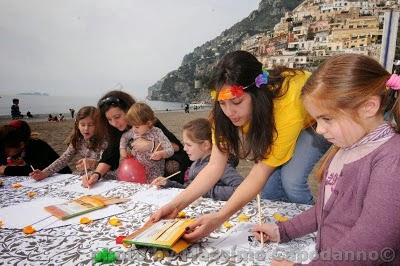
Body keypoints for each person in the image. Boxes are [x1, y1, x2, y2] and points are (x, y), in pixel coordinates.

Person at [150, 50, 330, 242]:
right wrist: (176, 206)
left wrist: (219, 218)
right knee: (269, 189)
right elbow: (213, 167)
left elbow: (259, 172)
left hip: (315, 120)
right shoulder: (224, 114)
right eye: (223, 103)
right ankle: (284, 227)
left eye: (237, 102)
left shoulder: (286, 106)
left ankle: (321, 225)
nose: (230, 112)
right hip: (277, 121)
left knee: (291, 180)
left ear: (257, 93)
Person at [253, 54, 400, 265]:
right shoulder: (345, 148)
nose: (319, 130)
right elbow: (325, 210)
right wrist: (282, 231)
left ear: (369, 107)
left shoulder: (392, 161)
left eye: (327, 119)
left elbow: (371, 243)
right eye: (316, 120)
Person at [81, 90, 191, 188]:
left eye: (117, 117)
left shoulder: (147, 121)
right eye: (109, 119)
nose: (114, 123)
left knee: (172, 166)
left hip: (164, 165)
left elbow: (176, 146)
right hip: (137, 168)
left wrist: (151, 145)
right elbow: (109, 156)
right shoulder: (114, 130)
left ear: (128, 110)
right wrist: (96, 174)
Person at [151, 118, 244, 201]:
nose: (184, 148)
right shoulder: (196, 163)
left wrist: (204, 190)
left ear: (205, 145)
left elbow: (242, 188)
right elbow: (190, 189)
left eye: (189, 145)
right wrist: (169, 183)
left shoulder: (222, 166)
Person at [30, 106, 106, 181]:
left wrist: (93, 164)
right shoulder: (78, 140)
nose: (86, 128)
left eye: (90, 125)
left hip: (103, 177)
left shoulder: (105, 140)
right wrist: (45, 173)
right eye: (82, 125)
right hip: (85, 176)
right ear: (77, 125)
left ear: (98, 125)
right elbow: (65, 158)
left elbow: (111, 164)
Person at [120, 102, 174, 182]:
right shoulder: (134, 131)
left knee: (151, 189)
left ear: (149, 123)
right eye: (132, 126)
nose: (134, 129)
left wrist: (161, 154)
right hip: (137, 167)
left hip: (154, 170)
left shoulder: (157, 132)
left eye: (137, 127)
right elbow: (124, 137)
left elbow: (170, 150)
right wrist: (122, 149)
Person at [0, 120, 71, 176]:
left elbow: (37, 169)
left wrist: (7, 170)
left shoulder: (37, 145)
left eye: (8, 152)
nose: (7, 154)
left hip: (60, 175)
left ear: (21, 144)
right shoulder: (8, 146)